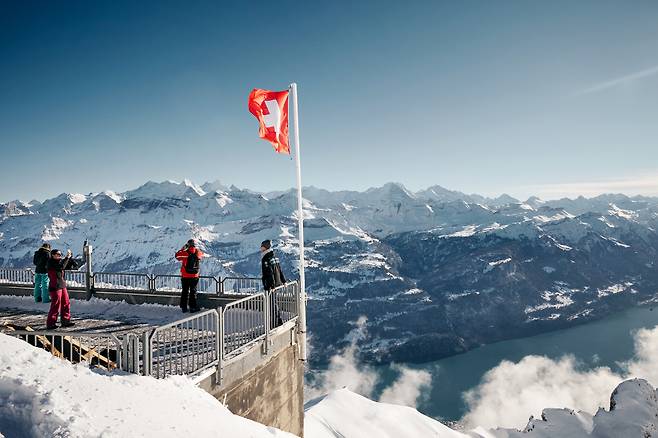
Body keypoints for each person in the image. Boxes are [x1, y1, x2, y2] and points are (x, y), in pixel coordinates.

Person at [46, 249, 79, 329]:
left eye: (60, 254)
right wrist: (67, 258)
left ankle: (66, 321)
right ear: (53, 255)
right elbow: (61, 267)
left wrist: (70, 258)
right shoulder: (50, 262)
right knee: (56, 304)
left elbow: (69, 265)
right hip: (55, 286)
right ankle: (51, 323)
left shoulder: (59, 261)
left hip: (62, 285)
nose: (59, 256)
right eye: (57, 254)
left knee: (66, 303)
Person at [260, 240, 286, 327]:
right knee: (274, 302)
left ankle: (276, 321)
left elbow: (269, 272)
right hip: (277, 283)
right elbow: (279, 270)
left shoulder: (265, 258)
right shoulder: (274, 257)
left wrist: (271, 285)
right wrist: (283, 280)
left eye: (262, 246)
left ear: (265, 247)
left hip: (271, 285)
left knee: (272, 303)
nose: (260, 248)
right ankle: (278, 320)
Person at [175, 239, 204, 313]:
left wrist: (183, 248)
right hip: (194, 276)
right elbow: (202, 255)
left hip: (185, 276)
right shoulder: (198, 253)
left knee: (185, 291)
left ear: (188, 245)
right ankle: (192, 307)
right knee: (193, 292)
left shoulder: (185, 253)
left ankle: (184, 307)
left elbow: (177, 256)